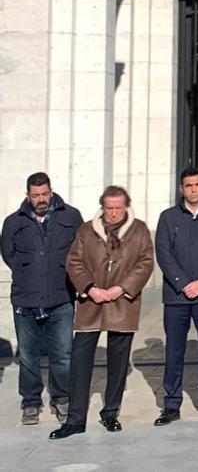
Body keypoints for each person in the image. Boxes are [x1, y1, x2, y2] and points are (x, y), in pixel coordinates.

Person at [49, 186, 154, 440]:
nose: (114, 213)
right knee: (80, 361)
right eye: (109, 208)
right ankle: (75, 419)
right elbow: (74, 261)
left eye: (119, 208)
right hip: (90, 303)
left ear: (126, 206)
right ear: (102, 207)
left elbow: (145, 262)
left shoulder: (139, 230)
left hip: (123, 303)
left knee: (118, 361)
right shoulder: (87, 230)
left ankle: (110, 412)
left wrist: (121, 288)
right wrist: (89, 288)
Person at [1, 172, 82, 426]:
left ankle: (62, 399)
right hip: (26, 298)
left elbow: (80, 250)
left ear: (51, 191)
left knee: (62, 354)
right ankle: (31, 402)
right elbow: (8, 253)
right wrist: (27, 271)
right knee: (27, 354)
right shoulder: (13, 221)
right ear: (28, 196)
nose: (41, 199)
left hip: (61, 297)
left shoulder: (71, 216)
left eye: (45, 193)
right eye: (35, 195)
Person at [153, 168, 198, 427]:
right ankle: (171, 404)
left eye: (197, 185)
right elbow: (163, 254)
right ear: (180, 189)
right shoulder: (168, 217)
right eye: (188, 185)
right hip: (176, 297)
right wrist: (183, 284)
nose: (193, 189)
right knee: (174, 351)